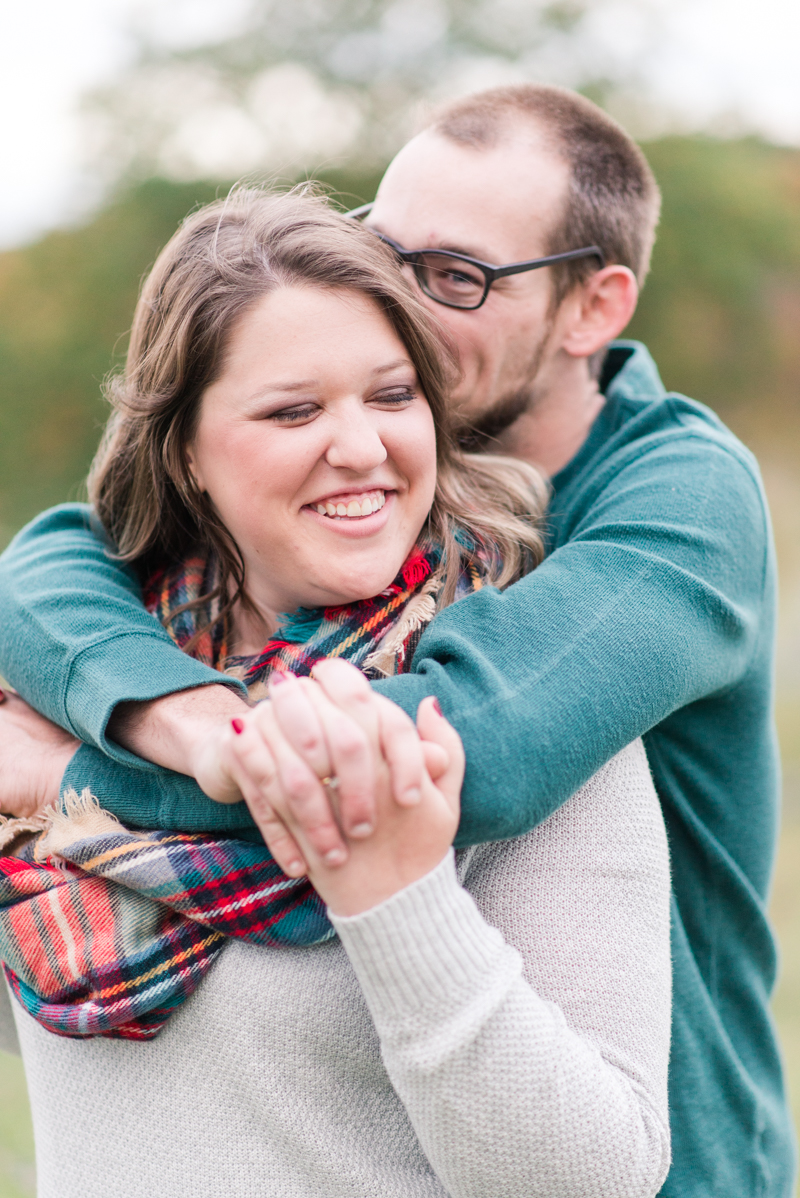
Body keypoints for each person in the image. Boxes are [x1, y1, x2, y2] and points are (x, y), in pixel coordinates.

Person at [0, 83, 792, 1195]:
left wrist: (78, 771)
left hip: (679, 1158)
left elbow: (443, 751)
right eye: (384, 248)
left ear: (591, 308)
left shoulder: (674, 501)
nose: (396, 300)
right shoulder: (219, 597)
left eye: (456, 277)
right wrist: (164, 712)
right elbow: (50, 558)